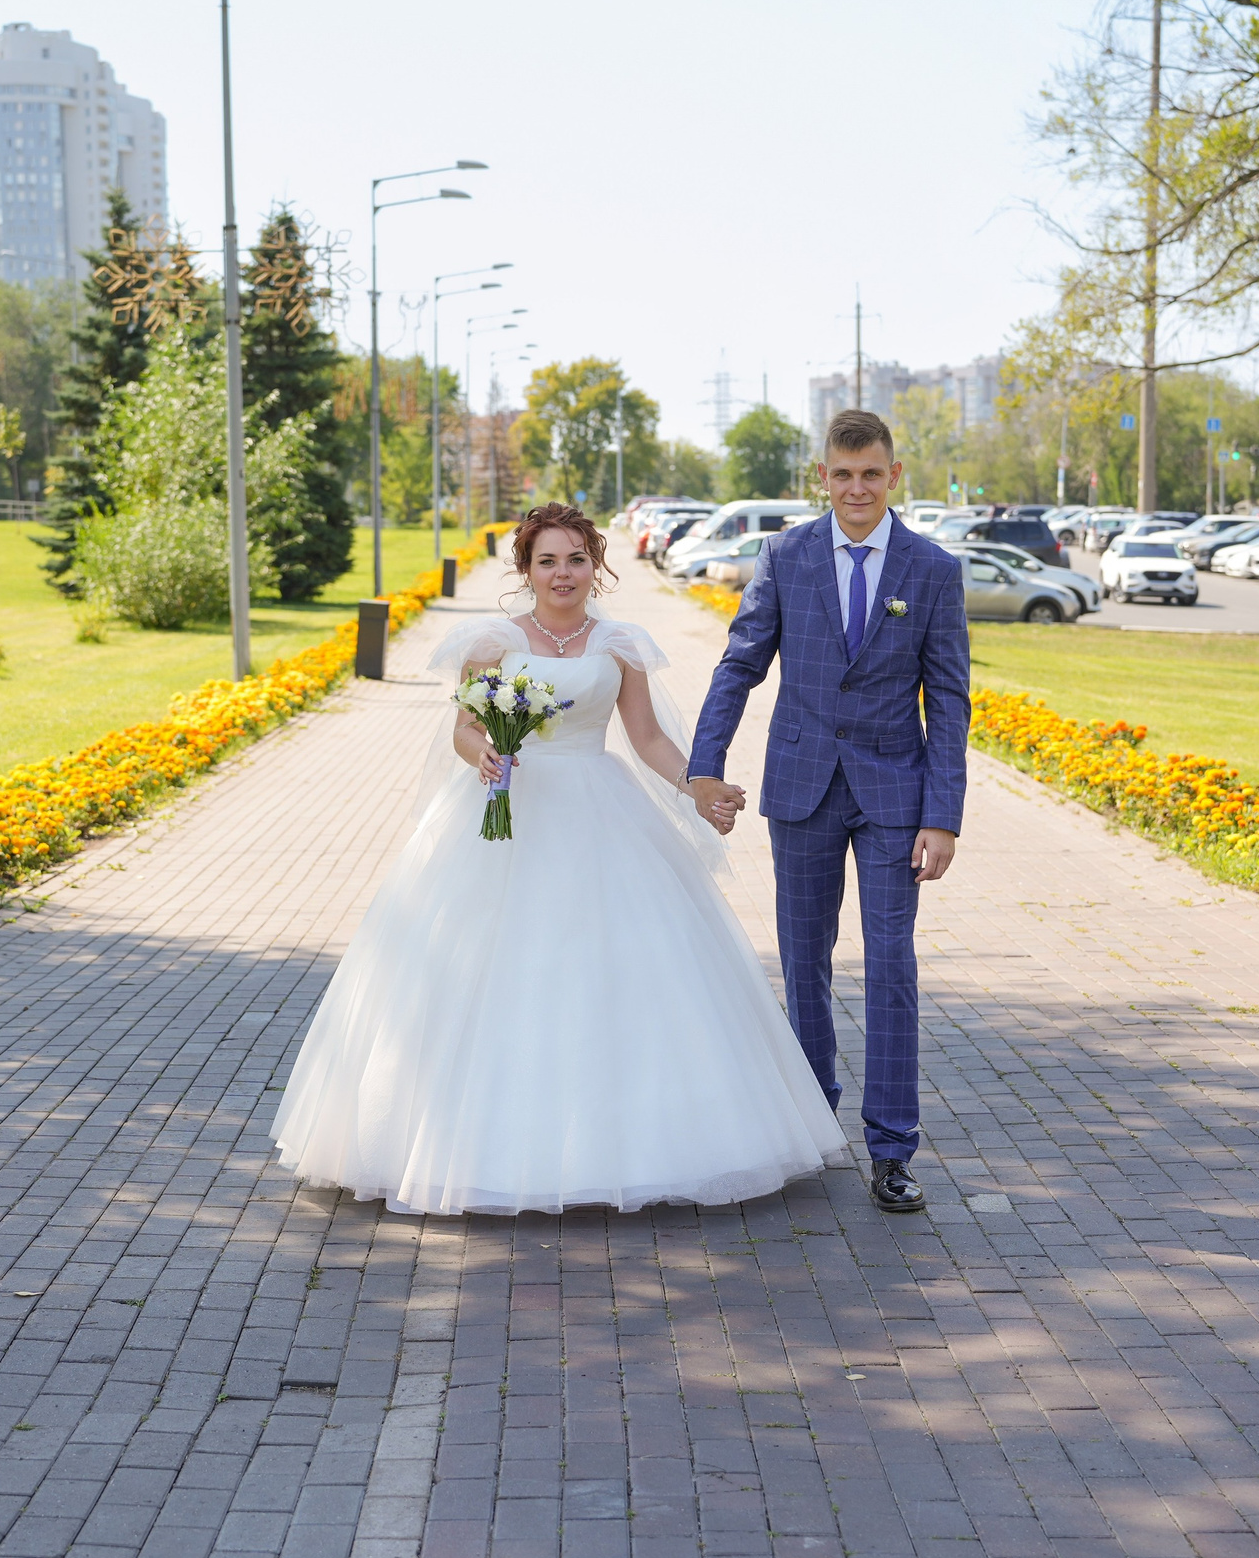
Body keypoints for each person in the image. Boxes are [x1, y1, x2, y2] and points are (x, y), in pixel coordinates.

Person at [272, 503, 844, 1216]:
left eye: (576, 558)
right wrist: (481, 752)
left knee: (621, 968)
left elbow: (647, 738)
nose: (563, 573)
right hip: (505, 817)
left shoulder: (622, 643)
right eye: (548, 560)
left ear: (595, 563)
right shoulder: (492, 641)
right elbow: (465, 725)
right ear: (526, 568)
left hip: (601, 809)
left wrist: (697, 786)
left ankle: (635, 1145)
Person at [685, 410, 970, 1213]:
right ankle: (810, 1127)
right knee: (803, 964)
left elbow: (948, 701)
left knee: (891, 964)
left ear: (893, 475)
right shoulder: (785, 556)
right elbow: (740, 662)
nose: (856, 488)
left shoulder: (932, 570)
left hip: (894, 797)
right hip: (803, 786)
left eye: (870, 474)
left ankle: (892, 1149)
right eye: (842, 475)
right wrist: (705, 766)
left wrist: (942, 815)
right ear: (824, 477)